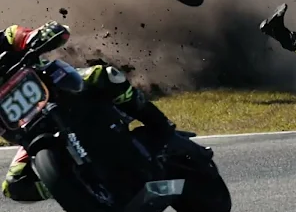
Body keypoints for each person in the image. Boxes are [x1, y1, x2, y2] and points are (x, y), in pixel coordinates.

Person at [1, 20, 176, 202]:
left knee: (105, 76)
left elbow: (27, 35)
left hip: (61, 91)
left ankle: (159, 124)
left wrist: (44, 35)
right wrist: (56, 181)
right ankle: (73, 187)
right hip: (31, 131)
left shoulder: (7, 36)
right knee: (15, 187)